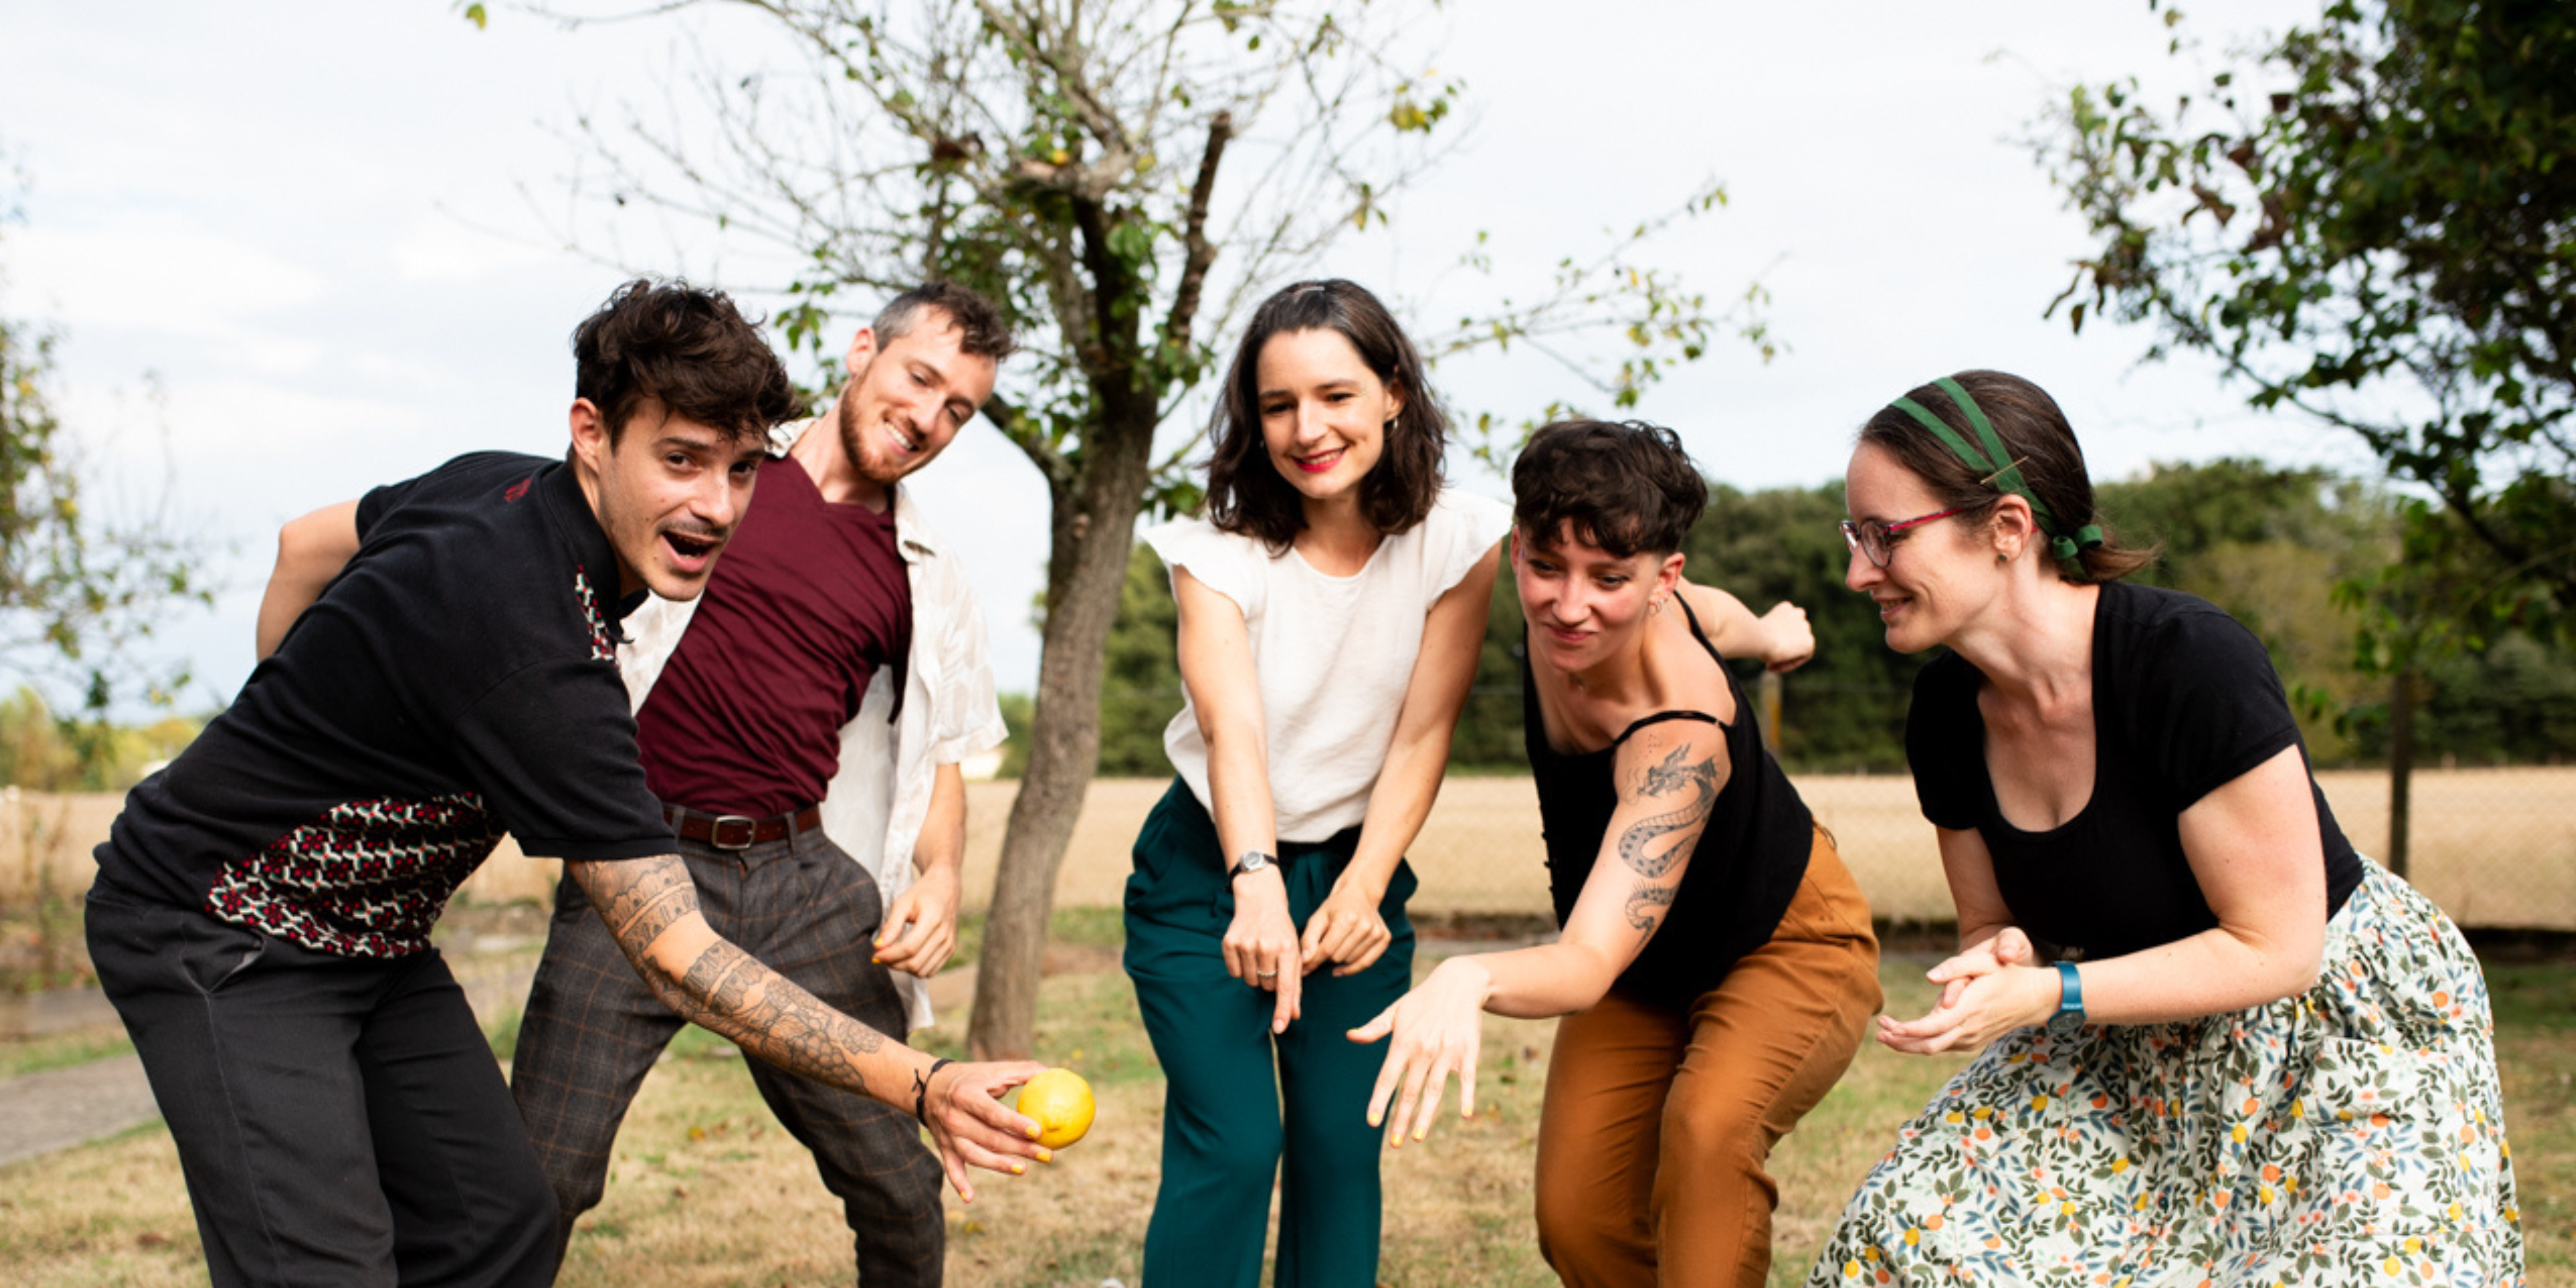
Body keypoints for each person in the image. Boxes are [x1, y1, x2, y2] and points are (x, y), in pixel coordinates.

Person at [85, 279, 1048, 1288]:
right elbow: (678, 958)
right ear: (593, 433)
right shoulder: (540, 653)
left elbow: (307, 543)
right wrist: (929, 1083)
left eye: (740, 470)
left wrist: (300, 719)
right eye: (679, 461)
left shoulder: (496, 483)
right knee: (330, 1267)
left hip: (377, 943)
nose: (715, 507)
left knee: (497, 1224)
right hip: (224, 929)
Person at [1805, 371, 2524, 1286]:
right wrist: (2001, 963)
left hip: (2331, 1030)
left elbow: (2277, 950)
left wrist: (2050, 992)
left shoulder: (2190, 663)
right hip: (2121, 1037)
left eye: (1884, 537)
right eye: (1853, 535)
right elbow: (1997, 929)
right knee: (1904, 1239)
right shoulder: (1946, 711)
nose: (1858, 571)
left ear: (2009, 529)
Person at [508, 282, 1016, 1283]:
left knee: (896, 1185)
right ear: (863, 351)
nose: (929, 417)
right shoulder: (711, 468)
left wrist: (943, 876)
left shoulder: (929, 573)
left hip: (803, 882)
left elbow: (942, 747)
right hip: (637, 865)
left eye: (960, 408)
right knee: (541, 1179)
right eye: (921, 379)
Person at [1352, 420, 1884, 1288]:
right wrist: (1768, 630)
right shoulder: (1612, 605)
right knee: (1580, 1222)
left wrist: (1469, 977)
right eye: (1546, 567)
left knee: (1707, 1135)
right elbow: (1712, 615)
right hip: (1652, 963)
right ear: (1518, 548)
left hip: (1784, 943)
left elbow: (1588, 961)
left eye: (1610, 580)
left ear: (1658, 577)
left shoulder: (1680, 738)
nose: (1569, 605)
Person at [1122, 278, 1509, 1288]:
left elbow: (1425, 732)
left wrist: (1368, 885)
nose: (1309, 428)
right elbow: (1232, 726)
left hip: (1357, 869)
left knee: (1343, 1152)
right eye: (1280, 404)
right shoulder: (1214, 553)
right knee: (1238, 1147)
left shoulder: (1459, 539)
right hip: (1207, 870)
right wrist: (1253, 877)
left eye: (1335, 395)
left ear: (1392, 393)